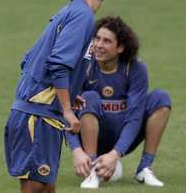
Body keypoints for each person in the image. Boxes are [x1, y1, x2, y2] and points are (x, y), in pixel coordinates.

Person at [4, 0, 112, 193]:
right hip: (38, 115)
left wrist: (69, 94)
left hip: (39, 113)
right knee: (35, 188)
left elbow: (29, 58)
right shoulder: (82, 15)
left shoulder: (72, 12)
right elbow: (58, 65)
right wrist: (66, 109)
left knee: (46, 189)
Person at [67, 16, 171, 188]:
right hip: (92, 138)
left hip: (123, 140)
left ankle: (144, 168)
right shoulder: (83, 66)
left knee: (161, 98)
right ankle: (92, 170)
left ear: (120, 47)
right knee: (90, 98)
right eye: (97, 38)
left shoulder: (136, 69)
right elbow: (66, 111)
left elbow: (134, 117)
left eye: (107, 41)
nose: (99, 45)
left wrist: (115, 155)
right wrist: (76, 150)